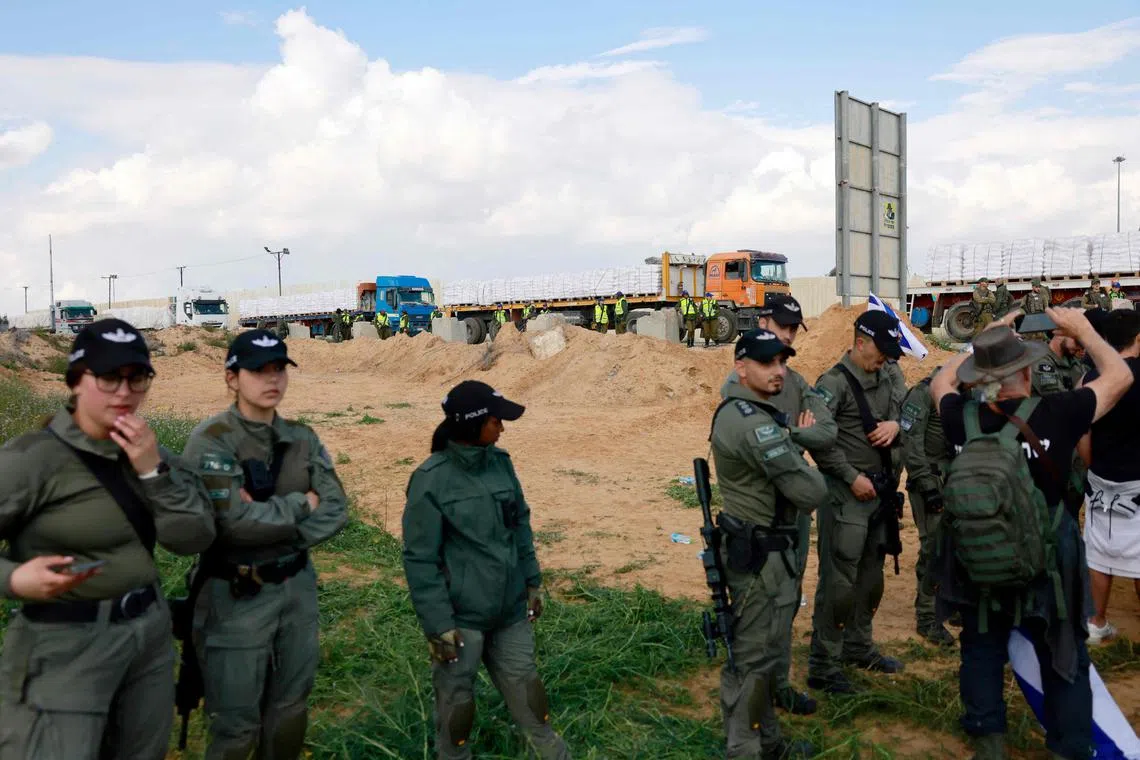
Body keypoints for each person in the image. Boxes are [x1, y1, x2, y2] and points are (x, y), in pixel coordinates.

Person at [0, 318, 216, 759]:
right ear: (77, 381)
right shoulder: (30, 460)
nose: (124, 392)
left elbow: (193, 538)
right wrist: (14, 580)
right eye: (109, 378)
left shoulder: (153, 454)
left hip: (148, 637)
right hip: (63, 645)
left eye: (137, 378)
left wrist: (153, 472)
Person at [930, 308, 1132, 760]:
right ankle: (1070, 747)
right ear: (1024, 369)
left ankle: (988, 741)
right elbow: (1118, 376)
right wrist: (1084, 330)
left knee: (981, 647)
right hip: (1047, 563)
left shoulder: (960, 416)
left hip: (980, 559)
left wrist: (977, 342)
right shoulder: (1056, 413)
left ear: (980, 375)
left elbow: (939, 385)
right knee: (1064, 657)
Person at [182, 329, 349, 759]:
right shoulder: (212, 440)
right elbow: (233, 526)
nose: (272, 379)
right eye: (259, 370)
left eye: (278, 369)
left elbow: (335, 508)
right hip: (236, 596)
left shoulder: (302, 437)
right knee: (236, 726)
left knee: (290, 712)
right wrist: (298, 505)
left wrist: (274, 523)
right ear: (232, 378)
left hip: (296, 588)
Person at [403, 381, 569, 760]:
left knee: (531, 695)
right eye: (496, 421)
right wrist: (437, 625)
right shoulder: (431, 480)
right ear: (471, 425)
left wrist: (532, 582)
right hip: (461, 622)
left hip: (510, 610)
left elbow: (520, 525)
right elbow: (419, 560)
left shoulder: (501, 464)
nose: (502, 429)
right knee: (457, 710)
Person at [711, 329, 827, 759]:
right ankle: (744, 748)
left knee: (764, 652)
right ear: (741, 367)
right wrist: (799, 446)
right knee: (752, 661)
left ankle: (770, 741)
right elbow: (812, 492)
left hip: (766, 552)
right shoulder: (751, 422)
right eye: (767, 363)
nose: (778, 371)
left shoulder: (756, 414)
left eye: (782, 362)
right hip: (759, 558)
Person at [807, 310, 907, 695]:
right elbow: (819, 441)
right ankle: (824, 663)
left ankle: (858, 647)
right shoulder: (832, 384)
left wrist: (897, 425)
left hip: (880, 497)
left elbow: (906, 413)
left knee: (871, 580)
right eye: (879, 351)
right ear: (860, 343)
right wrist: (851, 477)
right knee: (839, 584)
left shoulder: (887, 376)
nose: (884, 358)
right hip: (846, 498)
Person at [1078, 309, 1140, 645]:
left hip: (1101, 479)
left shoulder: (1090, 378)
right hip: (1137, 480)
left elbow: (1081, 432)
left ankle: (1095, 622)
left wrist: (1095, 464)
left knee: (1099, 553)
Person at [899, 368, 957, 648]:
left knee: (956, 545)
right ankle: (927, 615)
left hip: (956, 480)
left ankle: (951, 603)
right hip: (930, 481)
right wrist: (928, 487)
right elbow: (911, 444)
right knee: (933, 548)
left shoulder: (966, 391)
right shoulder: (924, 392)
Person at [1021, 311, 1087, 396]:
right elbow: (1060, 401)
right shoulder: (1040, 362)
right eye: (1078, 341)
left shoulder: (1073, 361)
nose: (1082, 347)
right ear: (1060, 332)